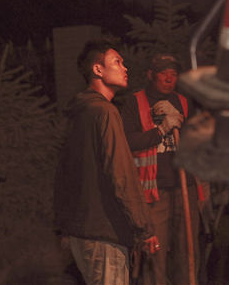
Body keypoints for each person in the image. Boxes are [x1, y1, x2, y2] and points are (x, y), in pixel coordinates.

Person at [53, 39, 160, 285]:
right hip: (104, 233)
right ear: (98, 70)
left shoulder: (80, 113)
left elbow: (63, 174)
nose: (125, 68)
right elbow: (121, 174)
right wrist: (144, 228)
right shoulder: (105, 113)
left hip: (82, 232)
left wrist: (63, 225)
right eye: (117, 62)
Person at [118, 53, 204, 285]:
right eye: (163, 73)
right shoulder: (135, 102)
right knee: (154, 253)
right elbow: (128, 141)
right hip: (153, 192)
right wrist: (161, 130)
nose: (169, 78)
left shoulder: (183, 102)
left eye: (173, 74)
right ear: (151, 75)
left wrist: (181, 125)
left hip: (184, 187)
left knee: (188, 251)